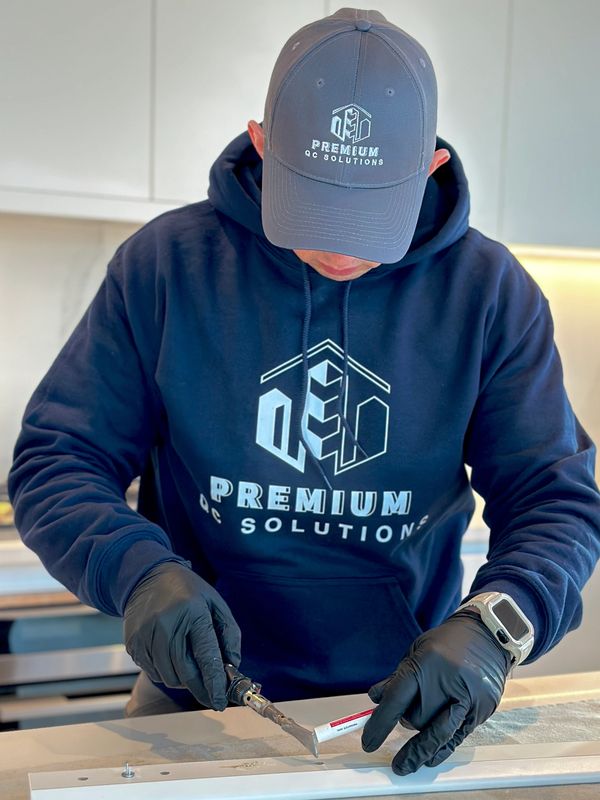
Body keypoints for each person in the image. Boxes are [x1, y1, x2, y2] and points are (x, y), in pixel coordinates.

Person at [8, 7, 600, 776]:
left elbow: (555, 500)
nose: (341, 245)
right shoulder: (166, 268)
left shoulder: (489, 295)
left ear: (429, 166)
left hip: (402, 703)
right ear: (262, 143)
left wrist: (495, 627)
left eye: (370, 214)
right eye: (316, 205)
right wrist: (137, 570)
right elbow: (57, 460)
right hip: (197, 700)